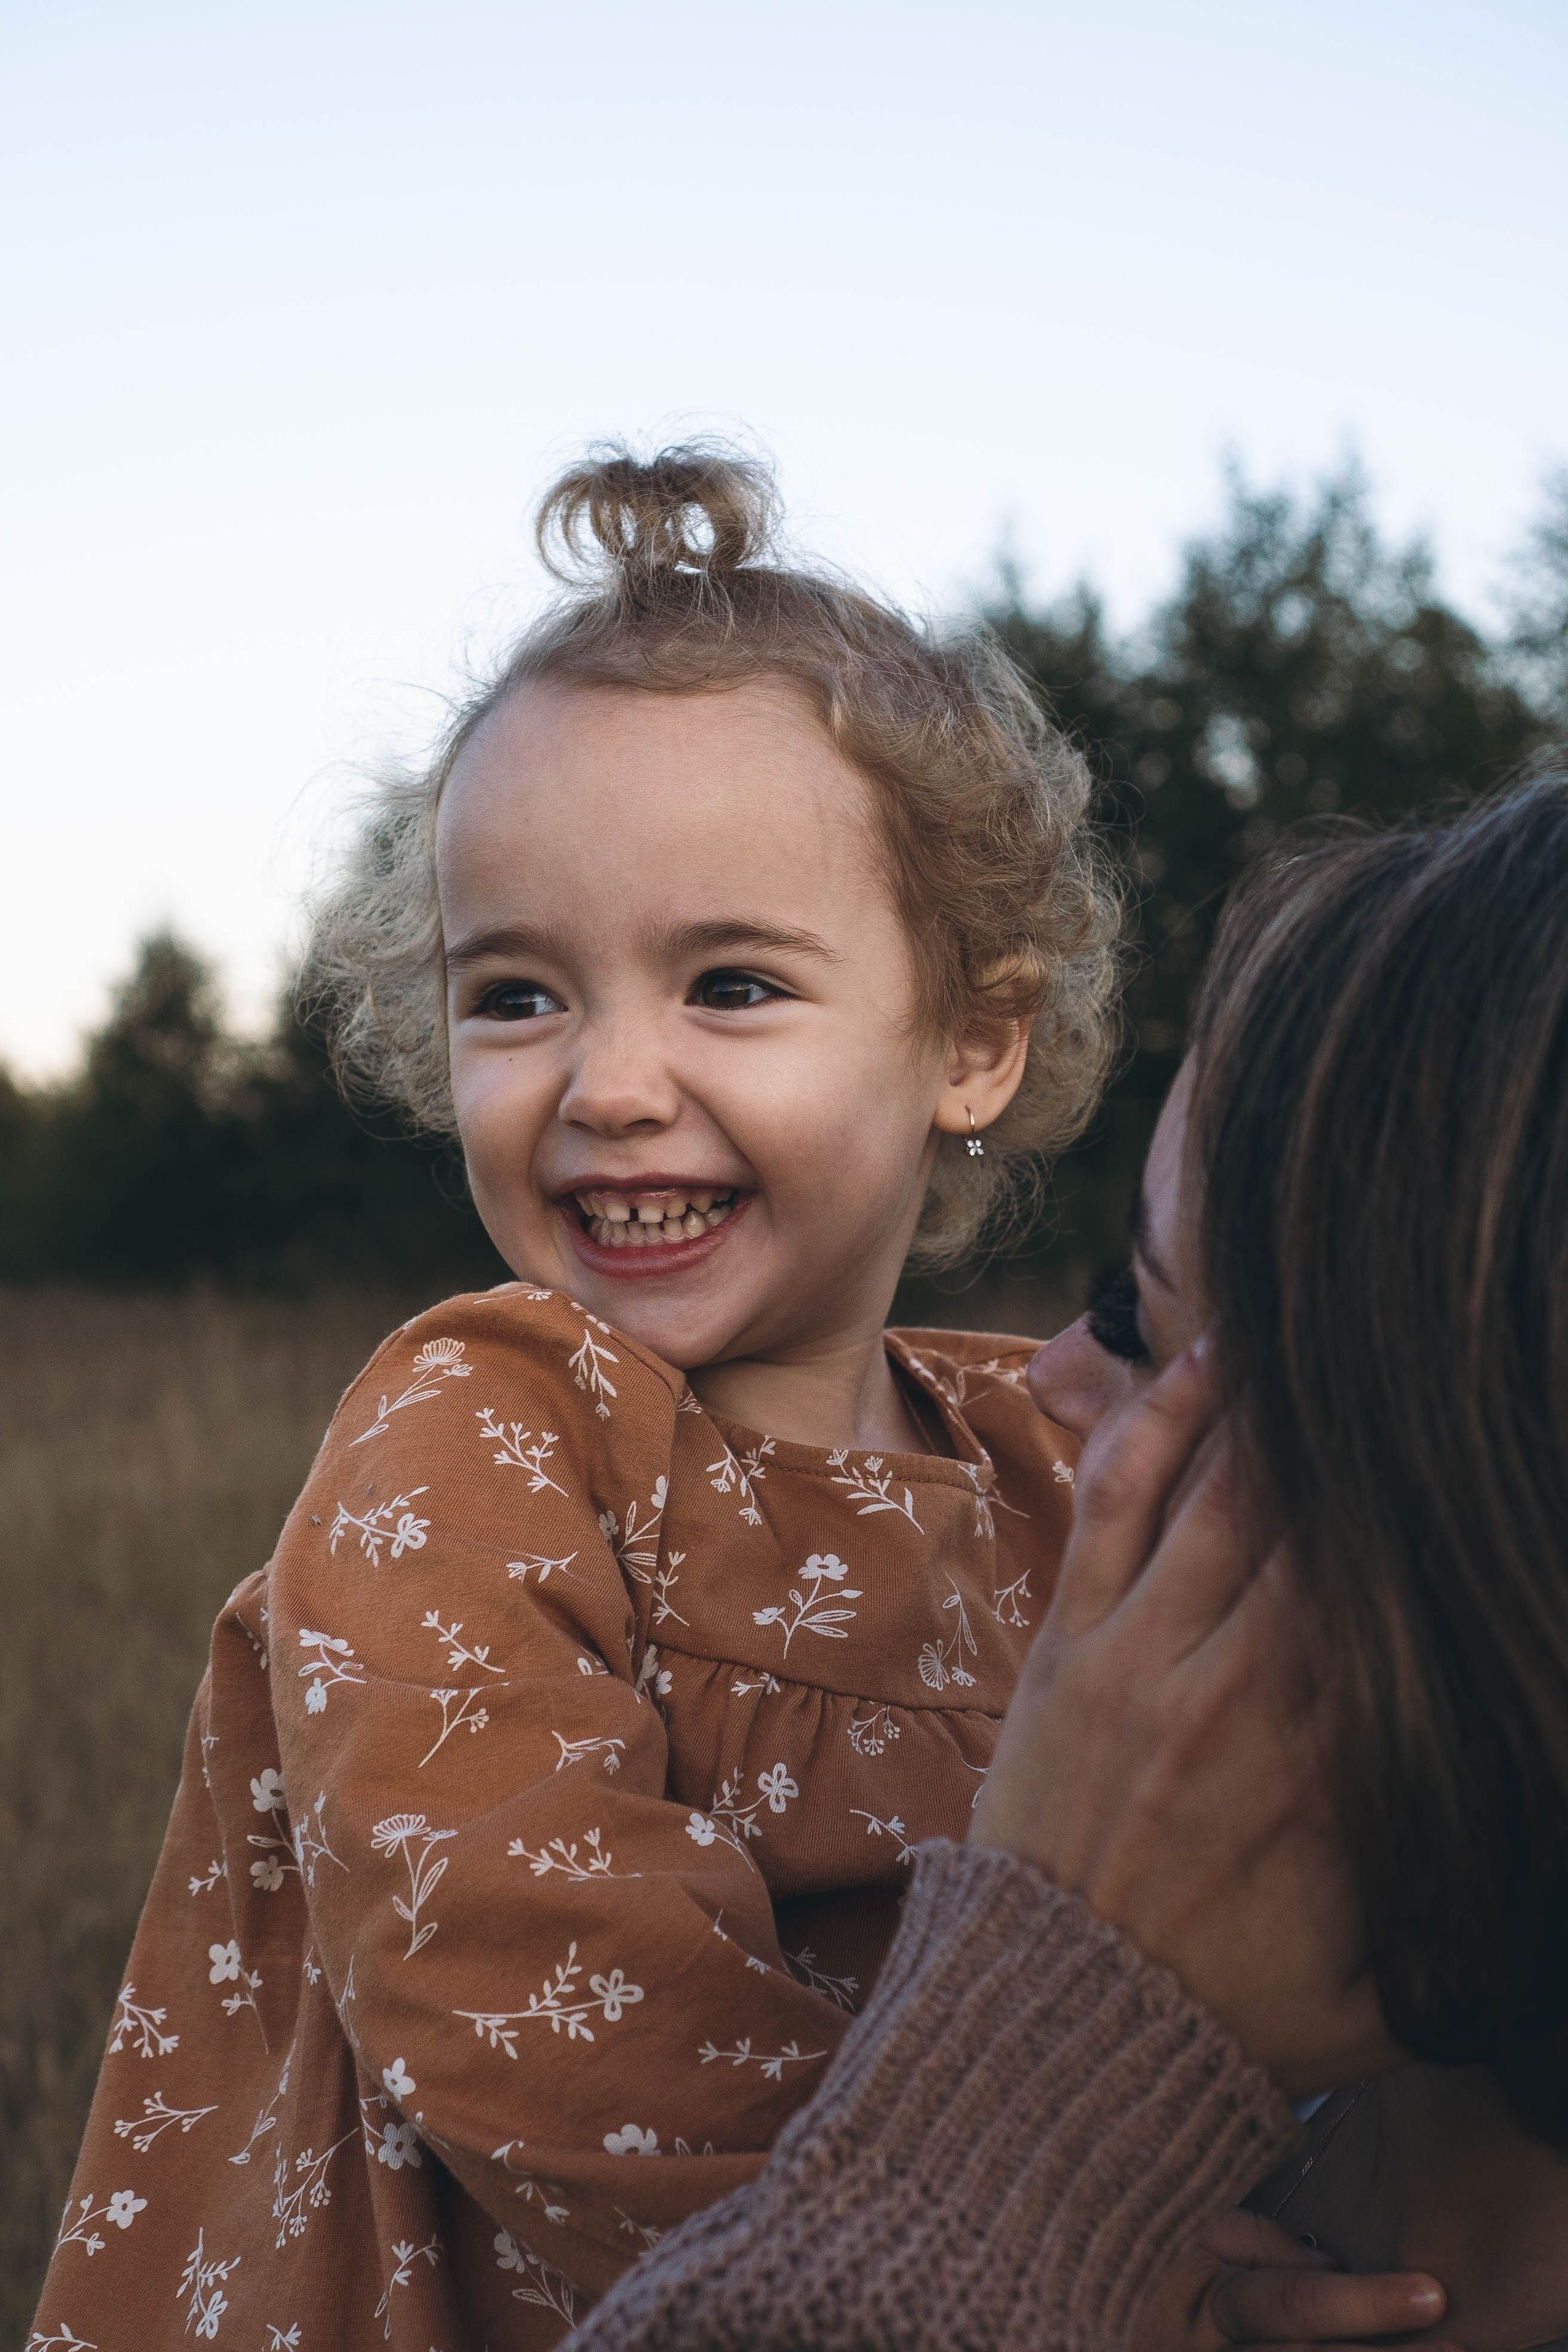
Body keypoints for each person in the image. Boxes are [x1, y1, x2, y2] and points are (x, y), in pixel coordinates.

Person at [30, 445, 1115, 2349]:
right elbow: (539, 1998)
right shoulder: (484, 1432)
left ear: (973, 1039)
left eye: (732, 987)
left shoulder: (1057, 1458)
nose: (607, 1086)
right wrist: (1051, 2265)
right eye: (519, 996)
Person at [435, 768, 1568, 2352]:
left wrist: (1013, 2136)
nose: (1058, 1387)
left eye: (1139, 1322)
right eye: (510, 995)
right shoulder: (477, 1429)